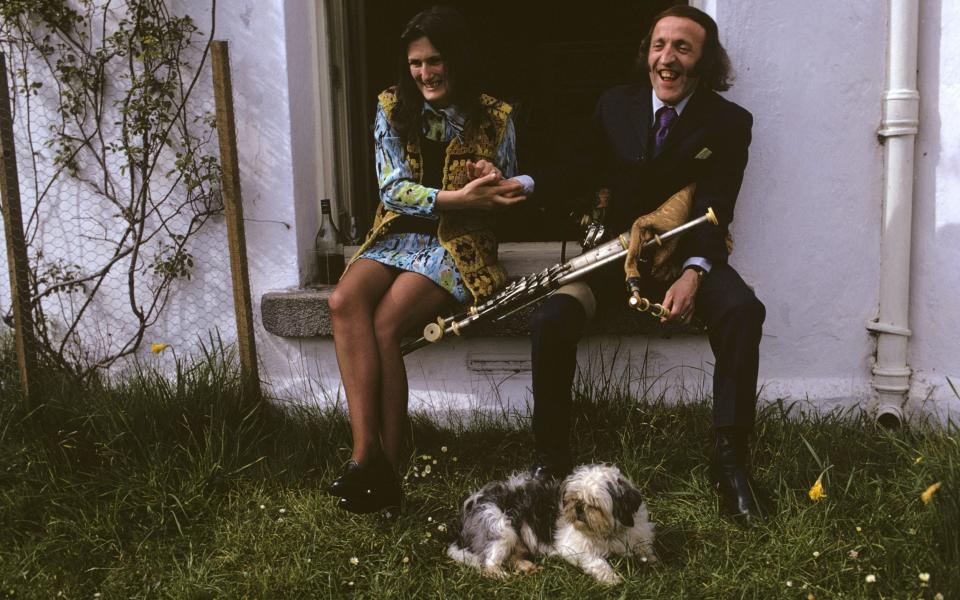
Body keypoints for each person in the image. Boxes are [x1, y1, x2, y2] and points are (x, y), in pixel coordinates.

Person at [500, 5, 765, 524]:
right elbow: (578, 168)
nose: (667, 59)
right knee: (550, 319)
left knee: (741, 310)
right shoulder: (614, 106)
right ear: (646, 53)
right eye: (659, 45)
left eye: (683, 48)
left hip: (685, 257)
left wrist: (693, 274)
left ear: (705, 62)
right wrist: (525, 184)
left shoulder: (729, 123)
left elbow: (719, 206)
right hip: (613, 260)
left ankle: (731, 463)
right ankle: (550, 462)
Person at [326, 6, 525, 514]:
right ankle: (366, 459)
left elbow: (509, 188)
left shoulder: (495, 115)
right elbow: (392, 192)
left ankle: (389, 466)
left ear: (457, 58)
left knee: (387, 323)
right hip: (396, 233)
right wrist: (460, 196)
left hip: (457, 245)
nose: (425, 73)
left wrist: (493, 175)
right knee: (344, 300)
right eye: (415, 63)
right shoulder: (391, 105)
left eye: (435, 60)